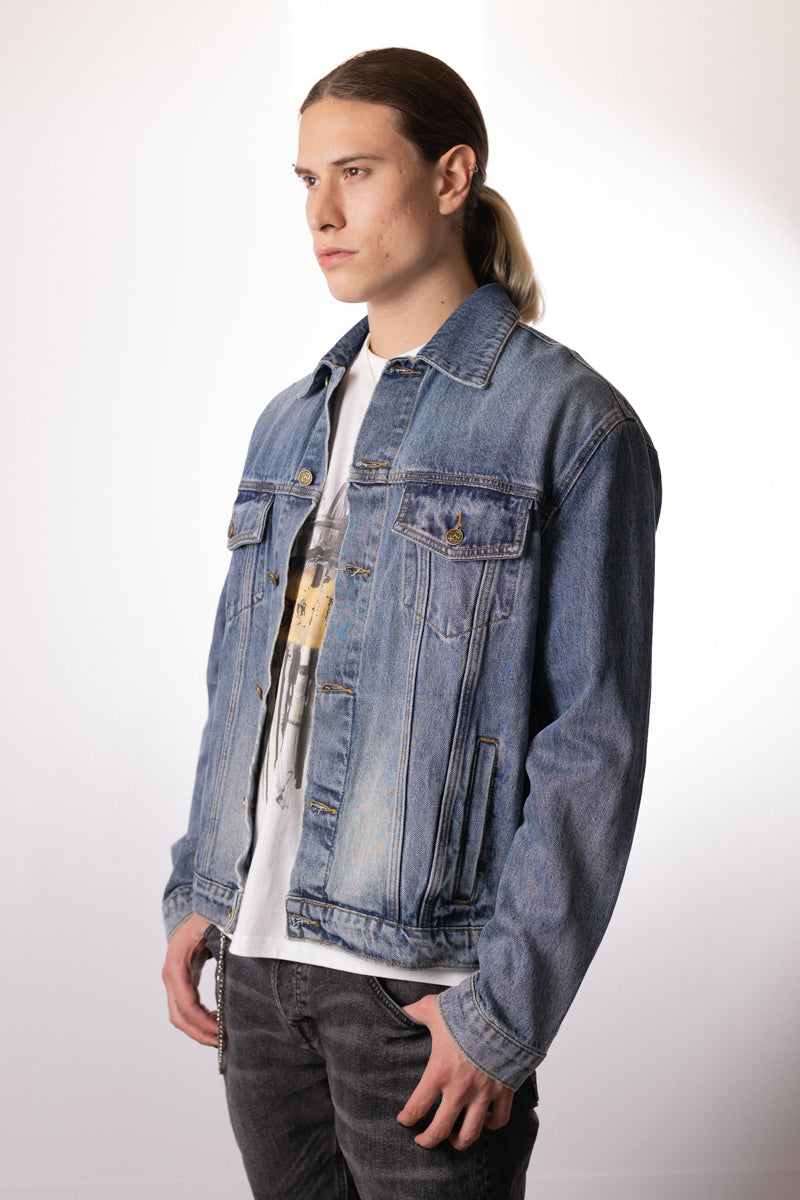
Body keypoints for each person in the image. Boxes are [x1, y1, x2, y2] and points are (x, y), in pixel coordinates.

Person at [161, 46, 661, 1200]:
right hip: (256, 973)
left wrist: (504, 1012)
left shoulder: (568, 424)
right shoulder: (286, 422)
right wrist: (201, 890)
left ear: (449, 177)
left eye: (354, 171)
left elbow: (591, 744)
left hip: (415, 993)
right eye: (306, 180)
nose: (321, 213)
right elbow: (244, 685)